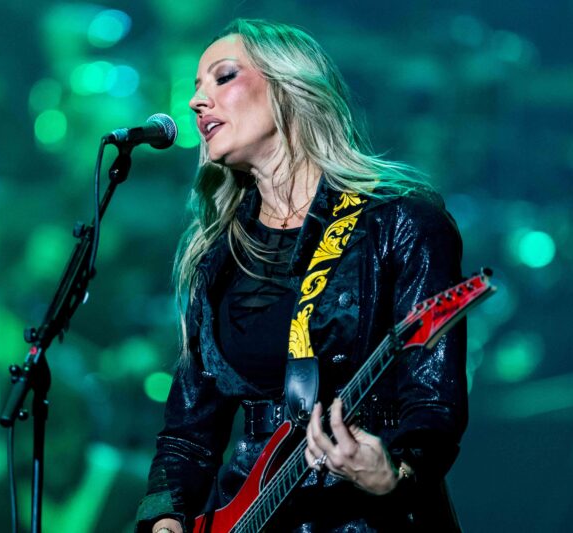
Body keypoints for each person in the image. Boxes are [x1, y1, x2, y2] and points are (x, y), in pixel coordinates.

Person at [136, 19, 467, 533]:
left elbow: (432, 400)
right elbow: (187, 434)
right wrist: (165, 519)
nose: (197, 101)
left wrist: (395, 471)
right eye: (197, 87)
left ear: (289, 87)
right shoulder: (218, 255)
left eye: (223, 77)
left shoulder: (398, 223)